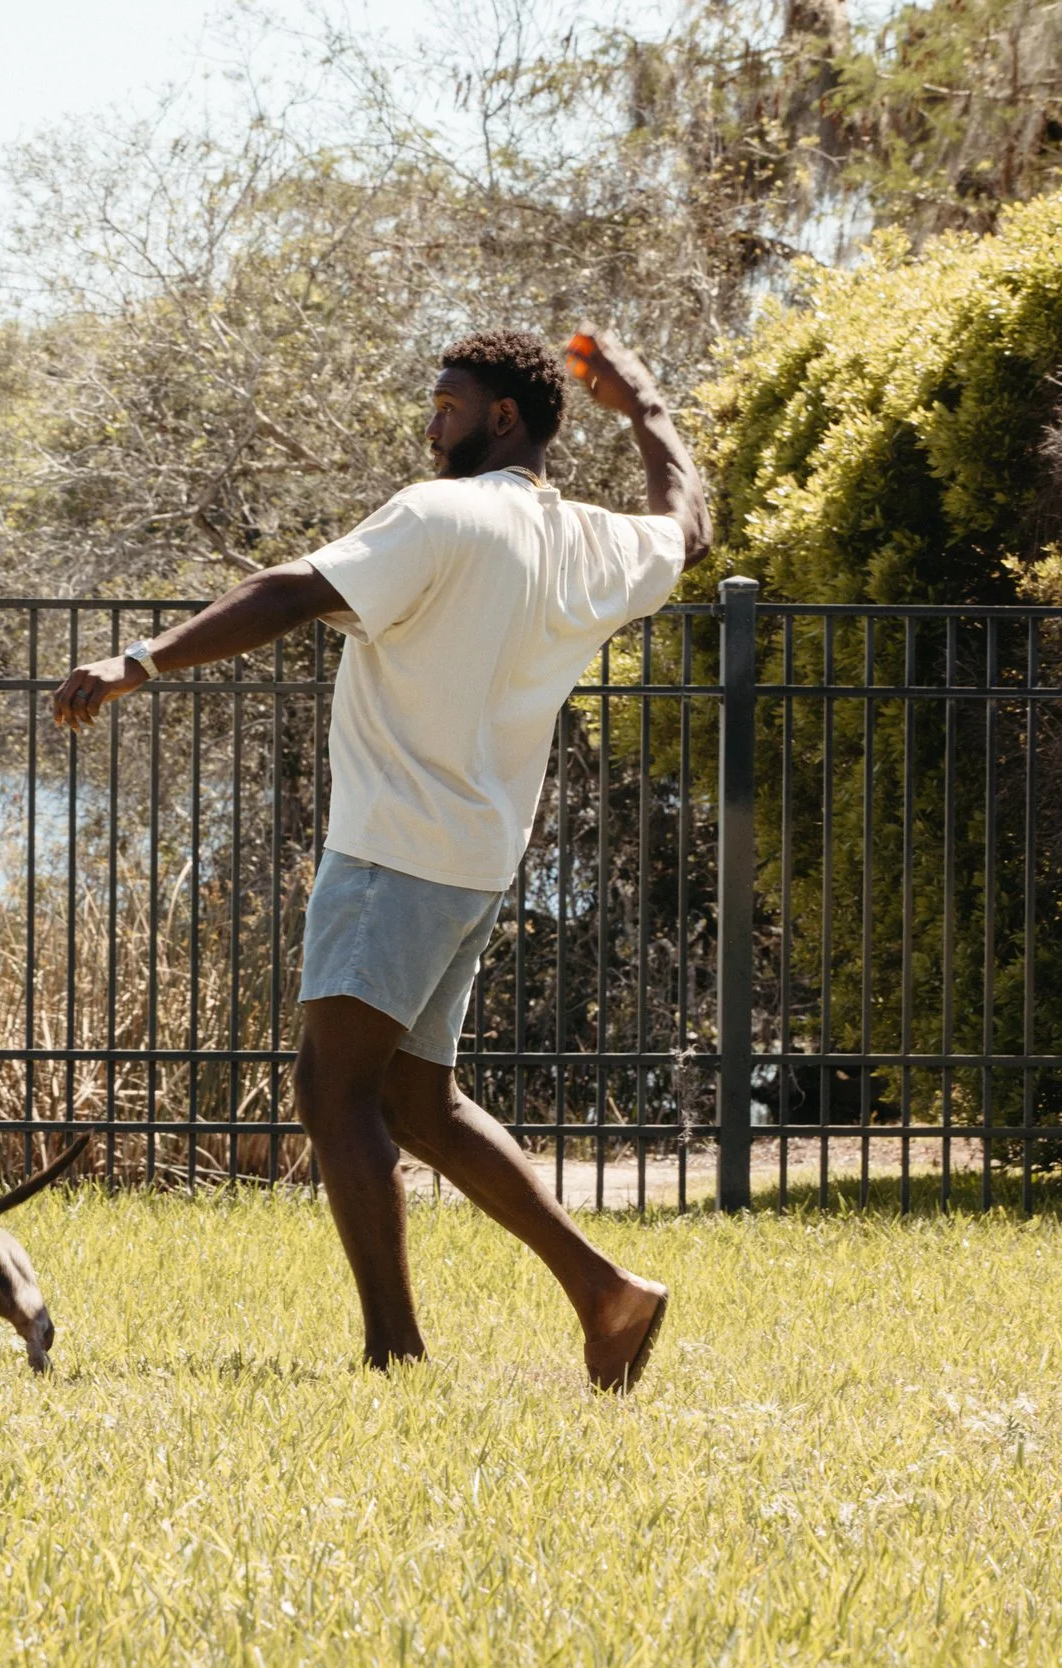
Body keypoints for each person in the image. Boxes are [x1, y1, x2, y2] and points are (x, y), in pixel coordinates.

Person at [50, 327, 710, 1390]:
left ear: (503, 417)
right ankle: (607, 1296)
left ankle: (394, 1351)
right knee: (415, 1103)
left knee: (331, 1089)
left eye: (447, 401)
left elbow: (291, 591)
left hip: (392, 851)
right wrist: (647, 412)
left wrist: (140, 661)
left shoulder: (438, 512)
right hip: (477, 857)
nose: (429, 418)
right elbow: (687, 530)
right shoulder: (589, 543)